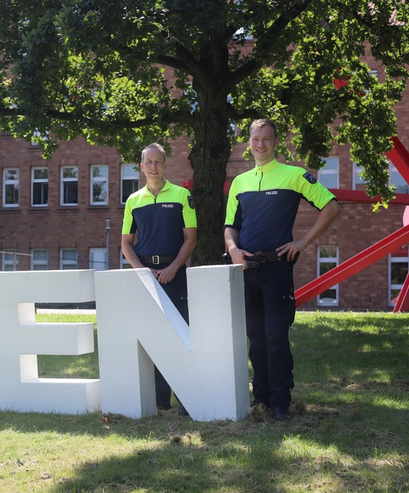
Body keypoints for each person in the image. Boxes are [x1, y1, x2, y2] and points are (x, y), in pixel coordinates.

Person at [224, 118, 340, 421]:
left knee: (276, 338)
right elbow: (229, 228)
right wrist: (233, 249)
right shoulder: (240, 182)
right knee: (256, 339)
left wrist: (301, 242)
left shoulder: (294, 175)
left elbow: (331, 207)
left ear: (276, 142)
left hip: (277, 271)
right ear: (248, 143)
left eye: (267, 139)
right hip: (247, 272)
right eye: (255, 139)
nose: (261, 144)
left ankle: (280, 403)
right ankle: (259, 399)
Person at [121, 143, 198, 415]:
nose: (153, 166)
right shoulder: (133, 201)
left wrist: (174, 267)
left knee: (181, 335)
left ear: (166, 165)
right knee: (153, 337)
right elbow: (126, 244)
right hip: (145, 277)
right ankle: (160, 401)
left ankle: (187, 399)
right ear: (141, 167)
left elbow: (191, 238)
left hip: (174, 273)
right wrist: (142, 272)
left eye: (158, 162)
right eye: (148, 162)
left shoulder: (181, 195)